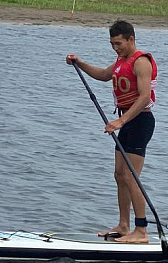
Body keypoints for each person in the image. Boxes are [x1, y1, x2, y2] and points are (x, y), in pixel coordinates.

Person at [66, 20, 157, 243]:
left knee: (131, 177)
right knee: (119, 175)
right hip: (127, 121)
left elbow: (144, 97)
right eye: (112, 44)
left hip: (140, 122)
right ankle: (124, 225)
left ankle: (141, 231)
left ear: (131, 40)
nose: (115, 48)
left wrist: (120, 121)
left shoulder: (141, 62)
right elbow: (104, 75)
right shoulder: (120, 61)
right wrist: (80, 63)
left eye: (119, 44)